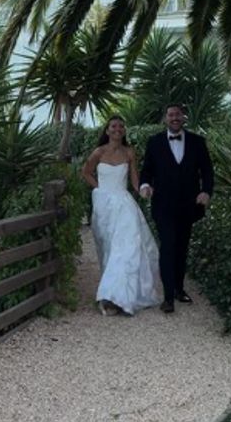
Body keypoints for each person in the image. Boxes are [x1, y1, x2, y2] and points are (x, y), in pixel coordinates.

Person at [81, 116, 161, 316]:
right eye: (113, 126)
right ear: (107, 130)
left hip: (125, 204)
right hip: (104, 206)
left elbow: (134, 180)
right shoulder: (98, 152)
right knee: (108, 249)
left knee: (126, 248)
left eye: (121, 126)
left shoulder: (129, 152)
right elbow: (86, 172)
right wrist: (100, 189)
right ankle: (111, 294)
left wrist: (144, 189)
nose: (117, 129)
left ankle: (120, 297)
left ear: (124, 131)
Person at [139, 103, 214, 314]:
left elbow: (207, 171)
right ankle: (168, 297)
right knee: (168, 246)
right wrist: (145, 186)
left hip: (188, 205)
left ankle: (179, 289)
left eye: (178, 114)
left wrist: (206, 191)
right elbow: (146, 171)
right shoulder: (154, 142)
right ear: (165, 118)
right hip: (163, 205)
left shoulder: (197, 142)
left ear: (183, 117)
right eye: (171, 115)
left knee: (182, 247)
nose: (174, 118)